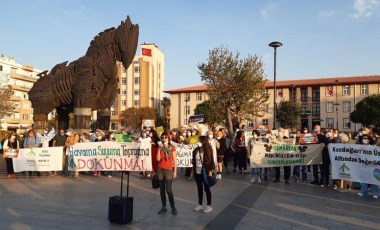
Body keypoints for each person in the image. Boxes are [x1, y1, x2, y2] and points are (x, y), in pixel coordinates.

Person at [156, 132, 178, 215]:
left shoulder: (172, 148)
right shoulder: (160, 148)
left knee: (168, 190)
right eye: (163, 137)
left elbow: (175, 161)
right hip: (160, 169)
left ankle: (173, 207)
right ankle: (164, 207)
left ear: (168, 138)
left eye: (166, 137)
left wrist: (175, 171)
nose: (164, 138)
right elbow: (158, 159)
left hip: (168, 170)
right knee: (162, 190)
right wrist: (159, 148)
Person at [192, 136, 215, 213]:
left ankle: (209, 205)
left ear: (203, 141)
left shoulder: (208, 149)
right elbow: (193, 161)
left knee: (206, 188)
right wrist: (192, 171)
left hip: (205, 171)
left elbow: (211, 160)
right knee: (199, 188)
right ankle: (200, 204)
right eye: (198, 140)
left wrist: (210, 171)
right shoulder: (196, 150)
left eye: (200, 141)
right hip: (197, 171)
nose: (198, 142)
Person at [357, 134, 379, 199]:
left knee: (373, 179)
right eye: (363, 138)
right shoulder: (359, 147)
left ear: (369, 140)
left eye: (366, 138)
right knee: (364, 179)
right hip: (363, 166)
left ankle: (375, 193)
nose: (364, 139)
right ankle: (363, 191)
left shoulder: (373, 147)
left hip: (372, 166)